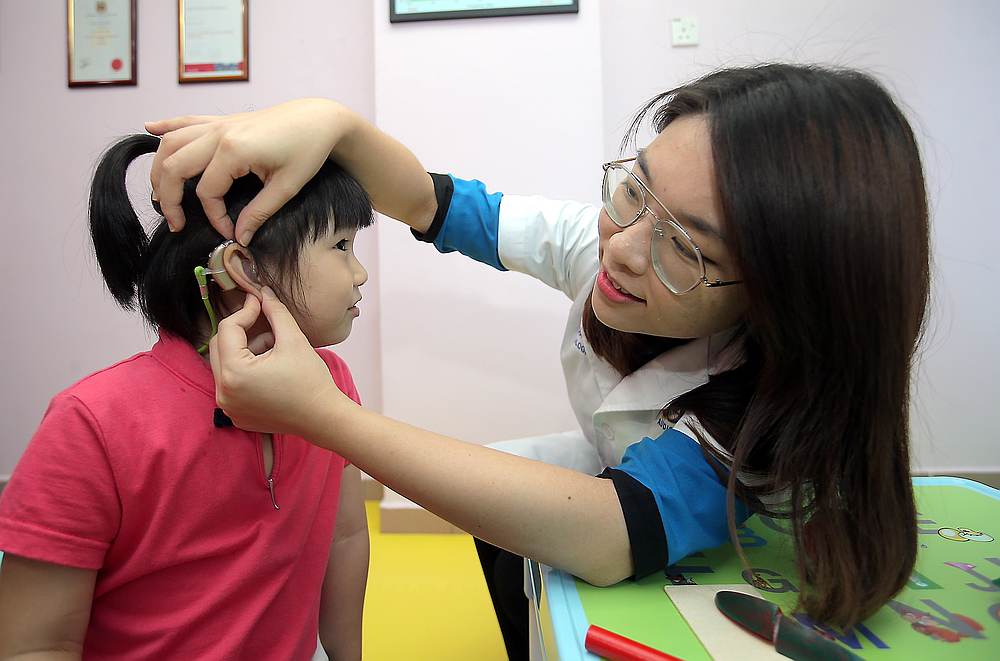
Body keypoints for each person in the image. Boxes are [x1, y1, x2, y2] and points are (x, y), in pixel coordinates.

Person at [146, 63, 930, 654]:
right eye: (634, 192)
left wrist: (322, 415)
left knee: (538, 523)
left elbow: (615, 529)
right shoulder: (613, 239)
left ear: (783, 296)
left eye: (684, 247)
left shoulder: (766, 407)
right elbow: (435, 204)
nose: (620, 250)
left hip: (689, 532)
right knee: (503, 496)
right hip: (616, 465)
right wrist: (337, 125)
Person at [0, 134, 372, 660]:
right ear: (241, 270)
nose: (360, 273)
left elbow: (345, 538)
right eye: (340, 247)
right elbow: (34, 646)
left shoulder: (330, 382)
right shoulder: (92, 424)